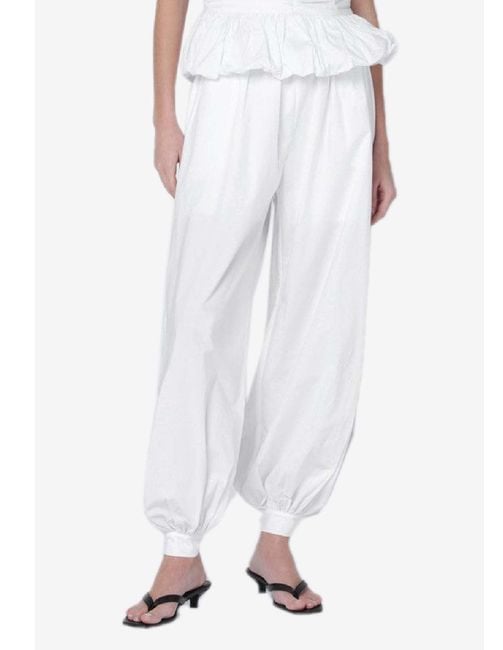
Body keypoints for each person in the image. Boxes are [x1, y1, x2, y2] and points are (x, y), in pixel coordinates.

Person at [124, 0, 397, 627]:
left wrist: (382, 143)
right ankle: (180, 546)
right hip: (232, 76)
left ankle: (278, 533)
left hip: (336, 81)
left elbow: (363, 6)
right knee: (200, 309)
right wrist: (165, 119)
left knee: (322, 309)